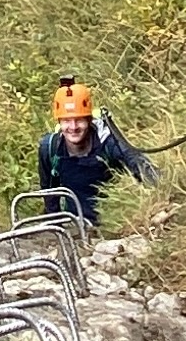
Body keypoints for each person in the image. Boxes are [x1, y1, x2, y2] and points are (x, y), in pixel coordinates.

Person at [35, 79, 155, 230]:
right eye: (67, 121)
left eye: (79, 120)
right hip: (74, 223)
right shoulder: (50, 147)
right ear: (59, 121)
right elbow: (50, 192)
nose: (73, 127)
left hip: (111, 224)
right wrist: (55, 228)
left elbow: (140, 166)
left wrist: (160, 193)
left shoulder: (109, 143)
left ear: (89, 119)